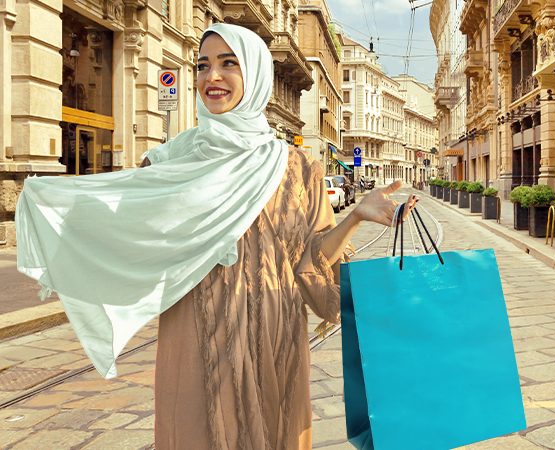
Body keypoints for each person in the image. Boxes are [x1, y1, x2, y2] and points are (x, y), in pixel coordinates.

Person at [16, 23, 416, 449]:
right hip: (195, 337)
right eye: (203, 65)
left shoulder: (297, 167)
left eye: (230, 64)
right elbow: (127, 227)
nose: (212, 77)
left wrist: (354, 216)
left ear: (257, 73)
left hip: (272, 340)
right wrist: (51, 203)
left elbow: (312, 264)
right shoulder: (171, 162)